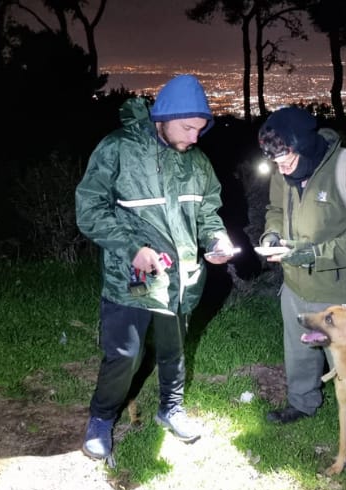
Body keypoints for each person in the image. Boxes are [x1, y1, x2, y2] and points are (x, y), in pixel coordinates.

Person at [75, 74, 235, 459]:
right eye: (188, 128)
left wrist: (217, 240)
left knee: (173, 349)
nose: (195, 138)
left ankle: (171, 408)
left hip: (180, 277)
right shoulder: (117, 149)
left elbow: (209, 212)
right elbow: (89, 210)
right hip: (136, 274)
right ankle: (100, 419)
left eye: (200, 129)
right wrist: (133, 249)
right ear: (163, 117)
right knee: (126, 354)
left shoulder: (197, 161)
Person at [257, 106, 346, 471]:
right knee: (298, 352)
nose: (281, 169)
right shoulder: (282, 170)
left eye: (286, 159)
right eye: (275, 163)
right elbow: (273, 208)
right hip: (295, 283)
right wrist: (271, 233)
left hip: (339, 292)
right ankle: (302, 403)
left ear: (305, 145)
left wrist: (314, 254)